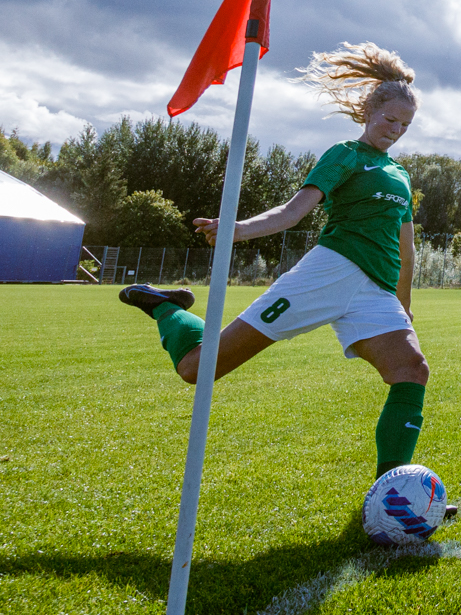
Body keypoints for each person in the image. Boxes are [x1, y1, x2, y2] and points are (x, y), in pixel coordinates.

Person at [116, 43, 437, 484]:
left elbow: (407, 251)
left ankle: (393, 490)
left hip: (375, 293)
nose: (396, 129)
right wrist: (237, 229)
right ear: (367, 111)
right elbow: (291, 212)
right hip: (327, 274)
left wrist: (403, 303)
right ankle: (165, 307)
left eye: (405, 124)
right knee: (199, 369)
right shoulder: (344, 155)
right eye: (389, 119)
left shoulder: (400, 175)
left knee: (411, 370)